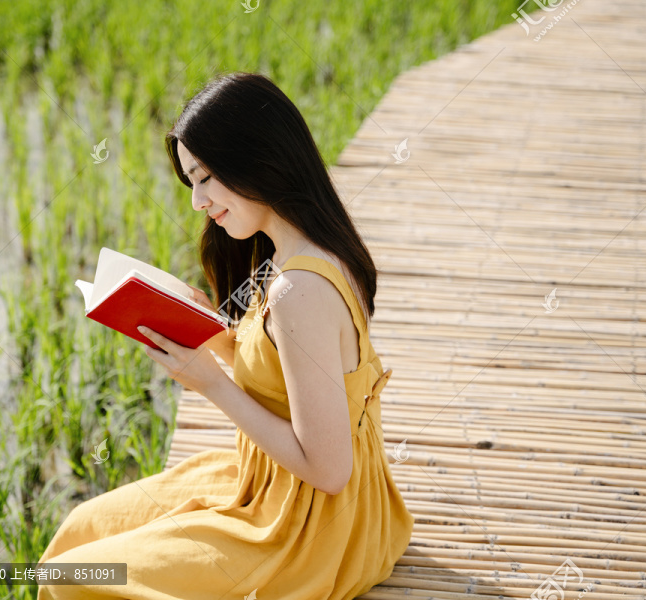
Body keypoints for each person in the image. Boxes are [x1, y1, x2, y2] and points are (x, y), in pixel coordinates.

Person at [36, 71, 414, 600]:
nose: (198, 201)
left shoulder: (298, 289)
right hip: (267, 484)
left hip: (310, 527)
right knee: (83, 526)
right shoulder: (296, 251)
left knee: (71, 578)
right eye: (192, 181)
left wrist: (212, 385)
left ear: (256, 157)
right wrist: (213, 335)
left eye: (206, 177)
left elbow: (328, 470)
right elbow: (288, 378)